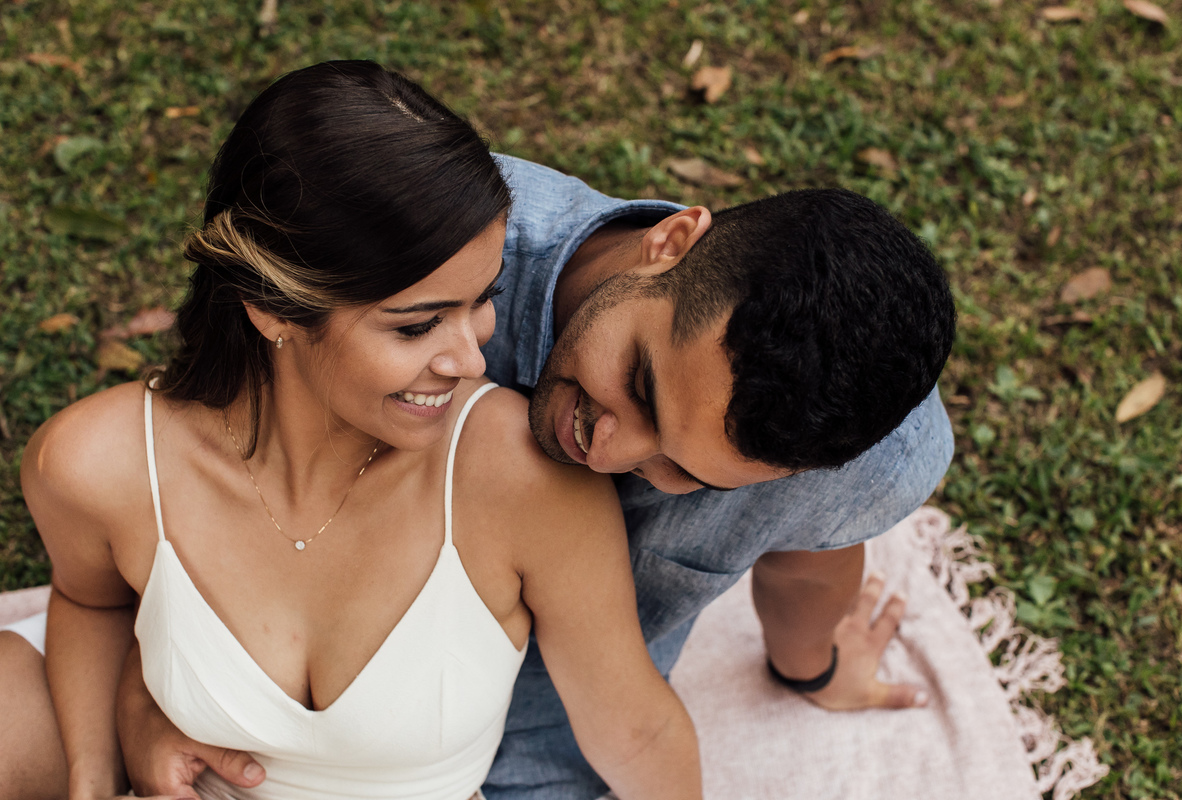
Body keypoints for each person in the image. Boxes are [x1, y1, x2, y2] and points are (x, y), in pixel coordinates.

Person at [5, 63, 957, 800]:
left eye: (687, 473)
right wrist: (132, 724)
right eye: (638, 387)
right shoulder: (440, 233)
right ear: (670, 243)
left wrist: (814, 665)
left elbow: (797, 569)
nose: (611, 458)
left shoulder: (861, 456)